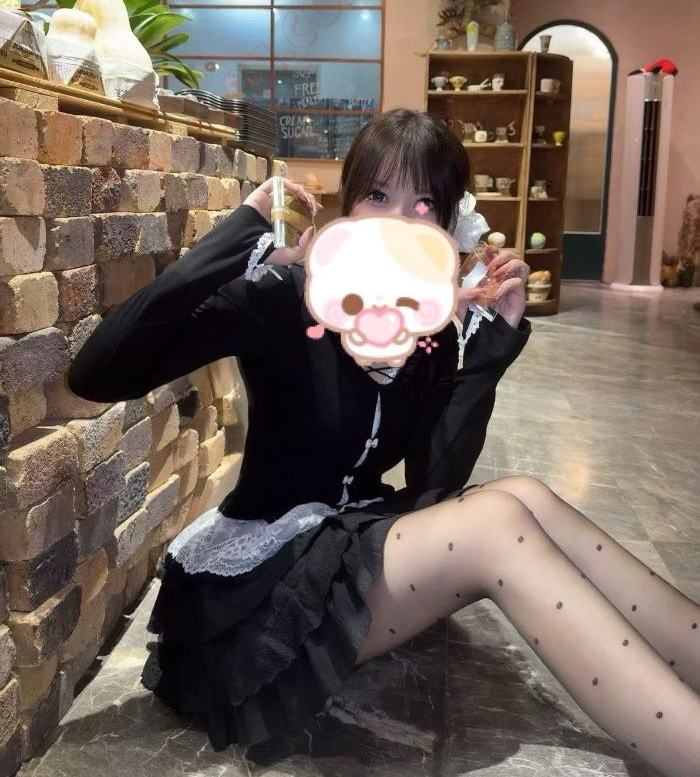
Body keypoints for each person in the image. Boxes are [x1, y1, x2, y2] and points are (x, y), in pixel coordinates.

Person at [68, 109, 700, 775]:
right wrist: (242, 231)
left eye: (424, 205)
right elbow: (97, 372)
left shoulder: (427, 327)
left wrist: (487, 348)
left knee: (524, 494)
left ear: (447, 227)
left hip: (353, 541)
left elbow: (434, 484)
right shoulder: (283, 294)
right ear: (348, 204)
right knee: (496, 522)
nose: (399, 221)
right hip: (265, 597)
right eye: (378, 195)